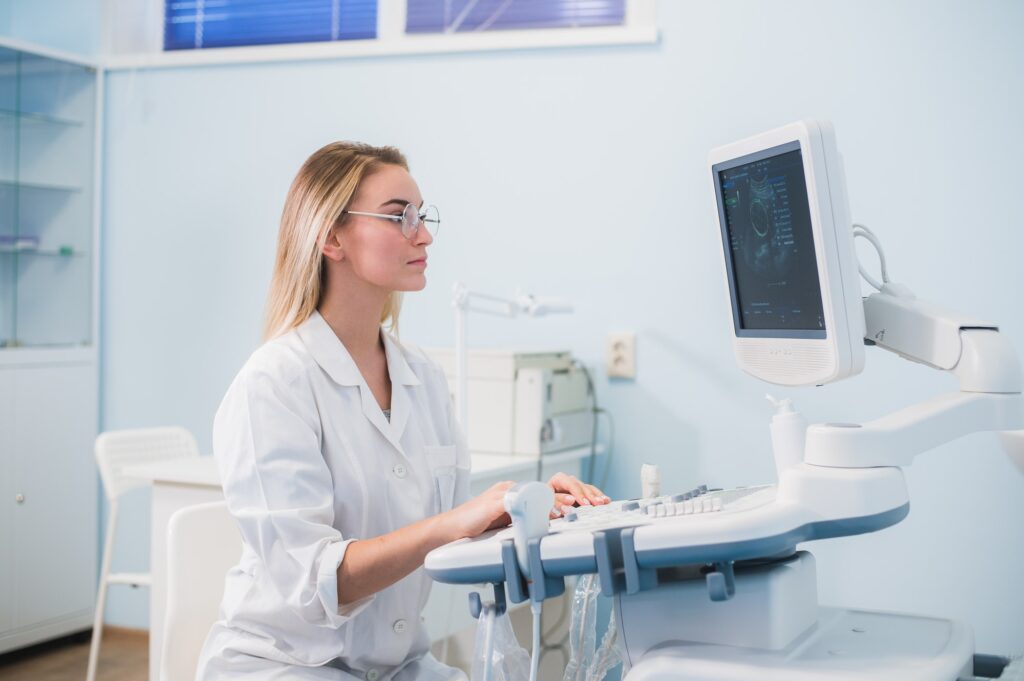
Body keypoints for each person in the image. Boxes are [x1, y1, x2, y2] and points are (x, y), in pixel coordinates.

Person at [196, 142, 609, 680]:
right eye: (400, 217)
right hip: (288, 666)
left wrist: (524, 507)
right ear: (331, 236)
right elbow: (314, 582)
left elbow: (449, 534)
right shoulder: (273, 385)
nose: (424, 234)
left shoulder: (422, 377)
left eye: (423, 216)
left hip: (398, 666)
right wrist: (451, 522)